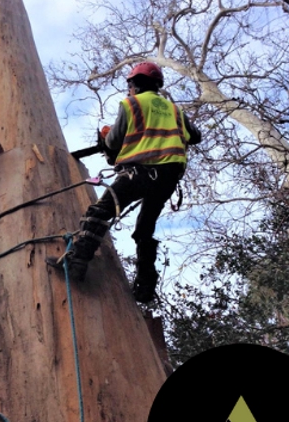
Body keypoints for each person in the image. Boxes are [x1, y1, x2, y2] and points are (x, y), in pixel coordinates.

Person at [48, 61, 202, 304]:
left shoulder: (132, 104)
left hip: (140, 172)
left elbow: (113, 142)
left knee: (100, 211)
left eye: (129, 85)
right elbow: (196, 136)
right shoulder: (174, 111)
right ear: (157, 85)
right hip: (167, 179)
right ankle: (145, 288)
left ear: (134, 85)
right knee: (144, 229)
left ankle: (77, 262)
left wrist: (108, 143)